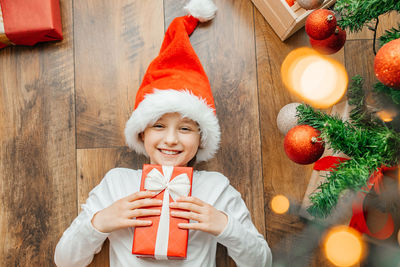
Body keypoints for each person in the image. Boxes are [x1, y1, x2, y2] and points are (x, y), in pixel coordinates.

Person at [54, 0, 272, 266]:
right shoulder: (116, 183)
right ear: (141, 134)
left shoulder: (216, 188)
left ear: (201, 137)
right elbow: (65, 261)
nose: (171, 139)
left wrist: (225, 226)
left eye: (185, 128)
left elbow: (262, 262)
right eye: (158, 125)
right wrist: (101, 221)